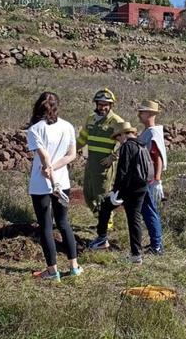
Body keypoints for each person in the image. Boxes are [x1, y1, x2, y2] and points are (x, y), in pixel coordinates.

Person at [26, 92, 82, 281]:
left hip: (41, 184)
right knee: (64, 222)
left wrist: (49, 172)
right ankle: (74, 267)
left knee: (46, 226)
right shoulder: (68, 126)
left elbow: (44, 157)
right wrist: (55, 172)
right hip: (62, 182)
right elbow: (71, 155)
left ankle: (52, 272)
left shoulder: (35, 129)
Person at [99, 122, 155, 263]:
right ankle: (136, 254)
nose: (118, 140)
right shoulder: (141, 145)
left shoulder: (127, 146)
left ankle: (101, 240)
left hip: (129, 188)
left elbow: (122, 171)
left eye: (118, 137)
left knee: (105, 206)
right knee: (135, 219)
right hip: (142, 186)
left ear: (123, 134)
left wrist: (116, 191)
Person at [76, 89, 124, 218]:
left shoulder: (116, 121)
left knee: (102, 195)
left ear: (111, 105)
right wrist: (69, 152)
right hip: (91, 162)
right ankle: (99, 217)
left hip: (105, 164)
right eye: (100, 104)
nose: (102, 107)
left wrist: (112, 157)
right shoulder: (90, 119)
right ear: (96, 104)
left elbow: (127, 143)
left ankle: (107, 222)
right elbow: (82, 140)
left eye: (106, 105)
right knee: (88, 194)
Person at [137, 100, 166, 255]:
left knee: (150, 211)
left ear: (149, 114)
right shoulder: (149, 132)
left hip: (149, 179)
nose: (139, 115)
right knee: (149, 210)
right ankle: (156, 243)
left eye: (142, 112)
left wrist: (157, 179)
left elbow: (157, 157)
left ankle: (157, 245)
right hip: (147, 178)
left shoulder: (153, 133)